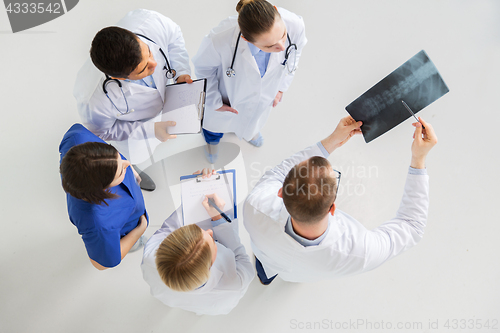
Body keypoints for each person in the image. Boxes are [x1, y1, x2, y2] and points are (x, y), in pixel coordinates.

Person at [243, 116, 437, 284]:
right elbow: (412, 226)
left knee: (264, 270)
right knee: (298, 273)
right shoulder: (358, 252)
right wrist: (418, 159)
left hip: (267, 257)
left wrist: (331, 141)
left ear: (280, 193)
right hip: (305, 273)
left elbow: (277, 173)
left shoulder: (255, 205)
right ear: (332, 209)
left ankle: (264, 278)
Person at [73, 9, 193, 190]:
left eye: (149, 53)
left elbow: (174, 36)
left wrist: (181, 71)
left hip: (158, 111)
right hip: (135, 131)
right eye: (144, 68)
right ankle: (131, 172)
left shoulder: (148, 22)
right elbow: (104, 132)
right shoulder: (94, 101)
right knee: (135, 156)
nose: (155, 64)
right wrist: (150, 129)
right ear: (120, 78)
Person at [192, 0, 307, 162]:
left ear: (276, 10)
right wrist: (214, 101)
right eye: (270, 46)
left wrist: (281, 87)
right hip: (228, 95)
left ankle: (249, 132)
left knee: (254, 118)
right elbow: (203, 69)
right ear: (246, 39)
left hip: (266, 93)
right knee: (215, 126)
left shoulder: (295, 24)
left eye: (283, 36)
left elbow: (295, 53)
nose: (281, 47)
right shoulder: (220, 38)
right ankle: (212, 142)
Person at [141, 170, 254, 315]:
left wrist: (195, 189)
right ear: (212, 263)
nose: (210, 231)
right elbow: (238, 253)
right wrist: (219, 218)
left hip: (171, 297)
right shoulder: (236, 282)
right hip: (211, 306)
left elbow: (170, 226)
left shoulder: (150, 254)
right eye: (212, 241)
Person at [59, 124, 149, 270]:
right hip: (131, 227)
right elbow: (100, 264)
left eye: (118, 157)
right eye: (121, 172)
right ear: (103, 188)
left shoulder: (77, 139)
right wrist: (139, 230)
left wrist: (129, 170)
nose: (128, 163)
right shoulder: (97, 223)